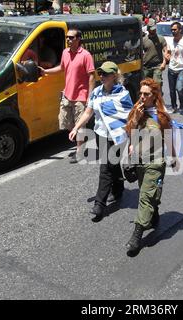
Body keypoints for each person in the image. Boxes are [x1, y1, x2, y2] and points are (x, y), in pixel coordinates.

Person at [68, 61, 133, 221]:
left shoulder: (123, 94)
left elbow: (130, 118)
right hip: (101, 134)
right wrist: (76, 128)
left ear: (114, 76)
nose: (101, 76)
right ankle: (118, 189)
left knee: (105, 168)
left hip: (118, 136)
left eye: (105, 74)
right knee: (112, 165)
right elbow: (88, 113)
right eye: (100, 73)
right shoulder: (96, 92)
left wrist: (132, 141)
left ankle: (99, 204)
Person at [124, 78, 174, 252]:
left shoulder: (161, 115)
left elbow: (168, 137)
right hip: (139, 161)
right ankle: (154, 215)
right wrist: (136, 119)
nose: (142, 97)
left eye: (146, 94)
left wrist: (173, 156)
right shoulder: (137, 110)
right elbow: (129, 134)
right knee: (148, 194)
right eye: (141, 93)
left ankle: (136, 236)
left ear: (155, 95)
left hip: (156, 162)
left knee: (145, 197)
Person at [40, 29, 95, 163]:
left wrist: (90, 96)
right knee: (66, 123)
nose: (68, 40)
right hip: (67, 95)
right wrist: (45, 71)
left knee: (79, 125)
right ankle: (80, 141)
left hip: (81, 96)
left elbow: (92, 76)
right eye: (67, 38)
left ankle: (79, 151)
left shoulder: (86, 55)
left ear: (78, 39)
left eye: (71, 38)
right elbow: (62, 68)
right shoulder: (65, 52)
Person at [167, 21, 183, 114]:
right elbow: (168, 53)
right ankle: (174, 106)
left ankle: (182, 103)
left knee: (179, 88)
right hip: (171, 68)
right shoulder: (170, 41)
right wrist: (167, 56)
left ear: (180, 30)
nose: (173, 31)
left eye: (175, 29)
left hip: (182, 69)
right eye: (172, 30)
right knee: (172, 90)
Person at [142, 19, 168, 89]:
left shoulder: (161, 39)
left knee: (157, 85)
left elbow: (166, 51)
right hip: (146, 67)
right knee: (146, 86)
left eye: (154, 29)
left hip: (157, 66)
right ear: (148, 29)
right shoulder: (144, 40)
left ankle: (159, 98)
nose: (153, 31)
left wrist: (164, 63)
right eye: (152, 29)